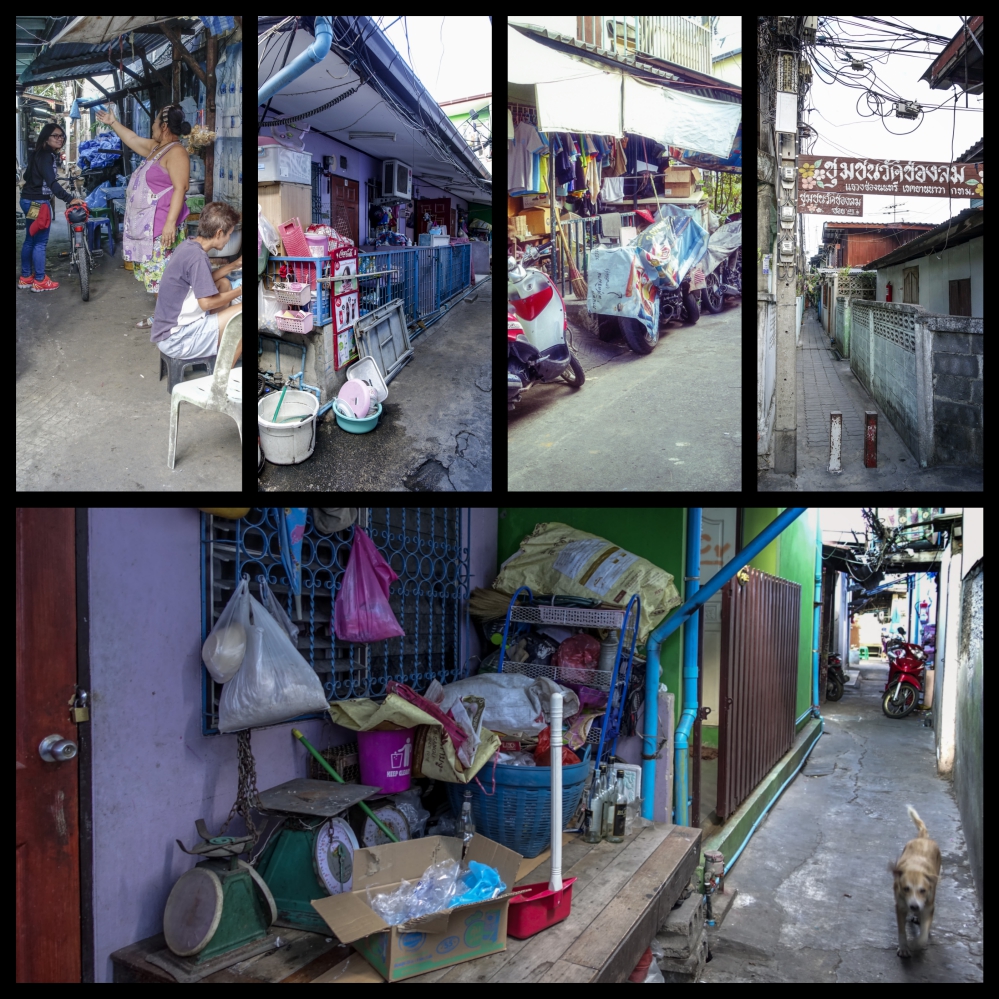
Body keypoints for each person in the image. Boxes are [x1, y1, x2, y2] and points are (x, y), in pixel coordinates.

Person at [95, 104, 192, 327]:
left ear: (164, 126)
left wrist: (169, 224)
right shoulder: (158, 148)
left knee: (163, 278)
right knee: (156, 277)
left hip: (161, 228)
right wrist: (113, 122)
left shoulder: (176, 152)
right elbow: (133, 139)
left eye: (156, 121)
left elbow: (181, 187)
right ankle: (164, 317)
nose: (152, 126)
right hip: (150, 227)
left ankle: (169, 322)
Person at [150, 201, 242, 369]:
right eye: (229, 234)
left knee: (223, 284)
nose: (229, 238)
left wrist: (233, 265)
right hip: (176, 340)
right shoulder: (197, 257)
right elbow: (206, 303)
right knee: (242, 319)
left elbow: (202, 280)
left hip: (166, 332)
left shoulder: (189, 246)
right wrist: (240, 291)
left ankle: (218, 346)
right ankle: (221, 379)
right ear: (219, 233)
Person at [19, 122, 87, 292]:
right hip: (39, 204)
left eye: (61, 136)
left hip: (28, 201)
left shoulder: (36, 154)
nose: (60, 138)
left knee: (30, 239)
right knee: (40, 242)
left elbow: (27, 175)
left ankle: (26, 277)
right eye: (55, 136)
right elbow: (51, 182)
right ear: (46, 137)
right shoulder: (47, 156)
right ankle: (40, 280)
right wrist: (69, 198)